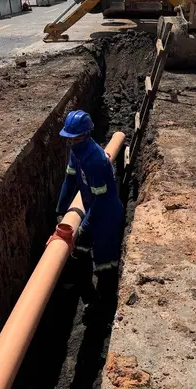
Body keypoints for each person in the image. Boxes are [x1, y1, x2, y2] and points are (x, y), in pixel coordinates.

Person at [56, 110, 123, 277]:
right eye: (69, 138)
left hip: (106, 215)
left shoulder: (96, 161)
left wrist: (86, 227)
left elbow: (102, 199)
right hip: (92, 209)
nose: (72, 141)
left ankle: (106, 294)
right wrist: (60, 209)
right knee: (81, 251)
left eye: (76, 137)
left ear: (86, 134)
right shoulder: (76, 153)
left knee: (105, 260)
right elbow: (70, 179)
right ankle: (84, 288)